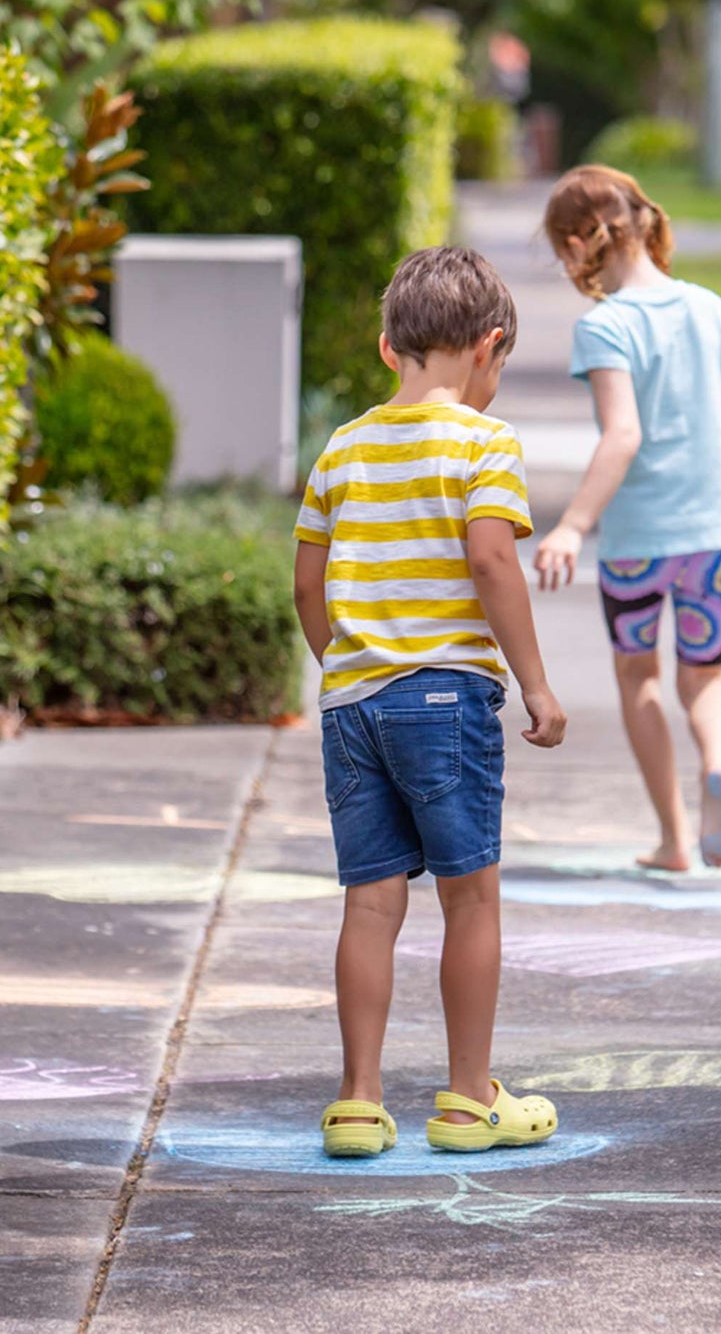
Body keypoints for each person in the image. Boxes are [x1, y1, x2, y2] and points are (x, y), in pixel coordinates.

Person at [293, 246, 567, 1159]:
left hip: (352, 702)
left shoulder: (341, 446)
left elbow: (308, 582)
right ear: (489, 347)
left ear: (387, 350)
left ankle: (358, 1102)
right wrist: (532, 681)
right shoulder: (485, 444)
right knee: (471, 897)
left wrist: (347, 665)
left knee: (369, 904)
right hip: (446, 699)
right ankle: (465, 1096)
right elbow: (492, 562)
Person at [534, 165, 721, 874]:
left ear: (583, 241)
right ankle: (719, 764)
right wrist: (718, 485)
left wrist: (573, 524)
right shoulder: (708, 306)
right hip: (713, 538)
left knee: (639, 675)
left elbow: (622, 435)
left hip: (638, 543)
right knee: (705, 681)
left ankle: (673, 839)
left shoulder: (605, 325)